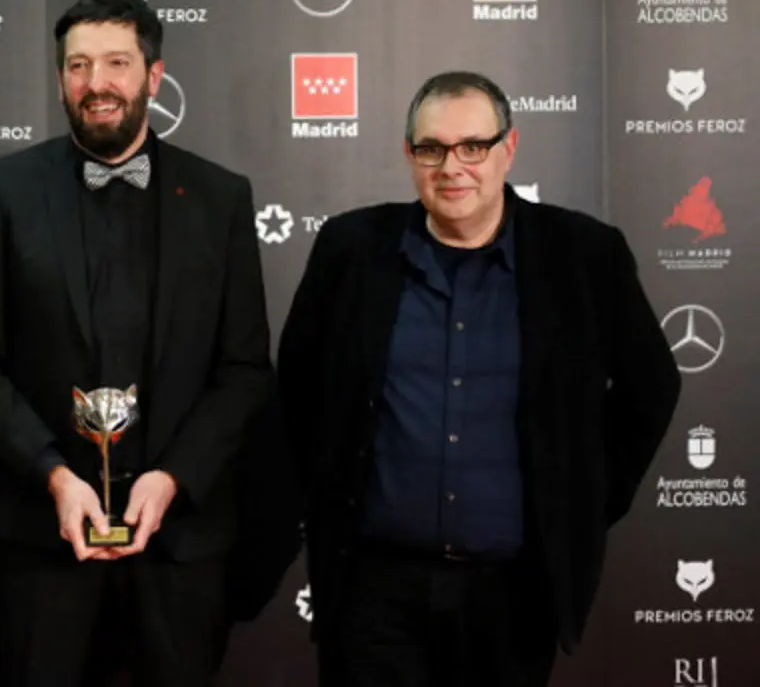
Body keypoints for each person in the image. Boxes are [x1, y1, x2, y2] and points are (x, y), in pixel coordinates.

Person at [277, 71, 681, 686]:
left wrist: (581, 499)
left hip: (514, 594)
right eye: (431, 148)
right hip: (372, 593)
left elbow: (651, 388)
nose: (452, 166)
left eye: (473, 146)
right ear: (409, 154)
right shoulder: (351, 248)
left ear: (508, 149)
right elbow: (298, 390)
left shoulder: (583, 254)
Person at [0, 0, 273, 687]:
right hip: (42, 542)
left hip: (180, 547)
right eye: (78, 66)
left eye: (117, 63)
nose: (97, 84)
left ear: (153, 77)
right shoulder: (6, 189)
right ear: (61, 79)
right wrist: (54, 475)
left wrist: (174, 476)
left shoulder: (221, 198)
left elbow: (244, 369)